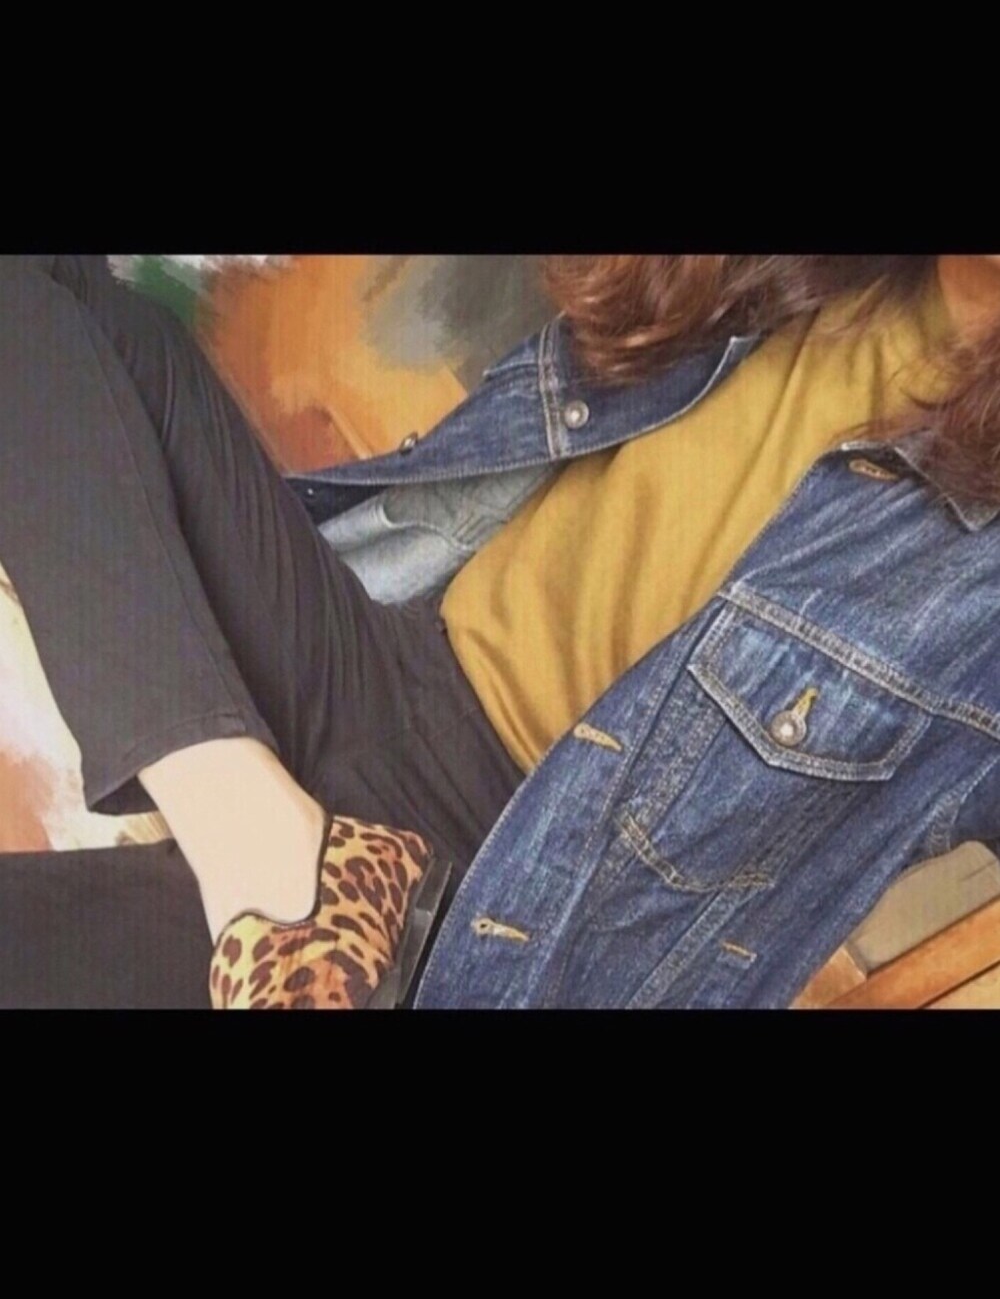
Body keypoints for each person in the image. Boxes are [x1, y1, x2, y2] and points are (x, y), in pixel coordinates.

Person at [1, 254, 998, 1010]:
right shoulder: (803, 276)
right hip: (385, 664)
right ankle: (256, 834)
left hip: (506, 892)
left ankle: (273, 867)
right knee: (34, 291)